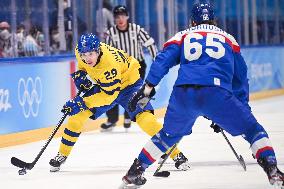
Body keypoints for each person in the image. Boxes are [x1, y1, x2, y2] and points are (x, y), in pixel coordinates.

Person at [121, 1, 284, 188]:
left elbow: (162, 60)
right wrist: (235, 109)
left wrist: (148, 87)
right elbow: (240, 78)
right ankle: (272, 170)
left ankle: (135, 172)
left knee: (167, 135)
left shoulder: (182, 35)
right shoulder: (229, 38)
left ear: (192, 22)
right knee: (253, 130)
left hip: (183, 93)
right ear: (214, 21)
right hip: (217, 94)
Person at [49, 33, 190, 172]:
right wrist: (80, 75)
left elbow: (109, 96)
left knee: (147, 121)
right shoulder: (80, 51)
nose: (87, 58)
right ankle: (62, 154)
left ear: (98, 50)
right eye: (84, 54)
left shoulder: (109, 64)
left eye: (90, 54)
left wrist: (82, 103)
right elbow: (84, 68)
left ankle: (176, 154)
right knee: (75, 118)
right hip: (105, 86)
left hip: (131, 85)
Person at [100, 5, 158, 131]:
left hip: (137, 65)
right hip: (119, 69)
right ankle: (112, 119)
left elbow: (150, 43)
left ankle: (129, 115)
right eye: (117, 17)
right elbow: (105, 53)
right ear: (114, 19)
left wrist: (156, 60)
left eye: (122, 16)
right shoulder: (110, 33)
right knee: (113, 92)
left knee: (135, 91)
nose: (120, 19)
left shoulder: (136, 29)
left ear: (127, 17)